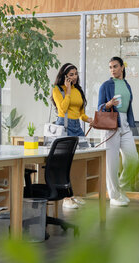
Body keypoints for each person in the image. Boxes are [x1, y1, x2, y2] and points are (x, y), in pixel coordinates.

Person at [97, 56, 139, 207]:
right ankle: (114, 195)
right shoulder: (105, 85)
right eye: (110, 67)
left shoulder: (126, 85)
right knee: (112, 163)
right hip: (111, 126)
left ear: (122, 67)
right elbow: (99, 109)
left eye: (115, 66)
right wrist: (108, 104)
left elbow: (128, 107)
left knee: (133, 159)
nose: (112, 70)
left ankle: (119, 187)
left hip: (125, 126)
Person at [51, 63, 90, 209]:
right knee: (64, 162)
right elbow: (62, 109)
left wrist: (90, 119)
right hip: (64, 126)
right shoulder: (57, 89)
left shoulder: (77, 89)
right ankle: (66, 198)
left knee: (80, 158)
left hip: (77, 127)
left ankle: (74, 194)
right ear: (64, 76)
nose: (75, 77)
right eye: (71, 74)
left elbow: (81, 113)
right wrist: (67, 91)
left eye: (76, 74)